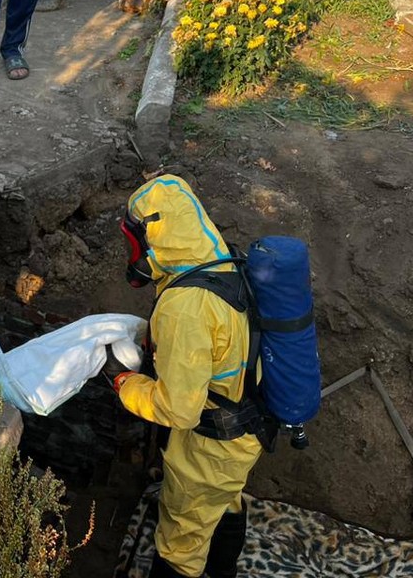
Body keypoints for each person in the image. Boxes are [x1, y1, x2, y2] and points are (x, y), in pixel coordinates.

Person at [106, 175, 263, 578]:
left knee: (180, 544)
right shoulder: (222, 262)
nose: (133, 254)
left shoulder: (184, 307)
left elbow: (178, 411)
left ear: (152, 237)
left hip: (209, 446)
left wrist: (125, 384)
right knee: (225, 501)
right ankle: (221, 570)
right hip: (244, 430)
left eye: (133, 243)